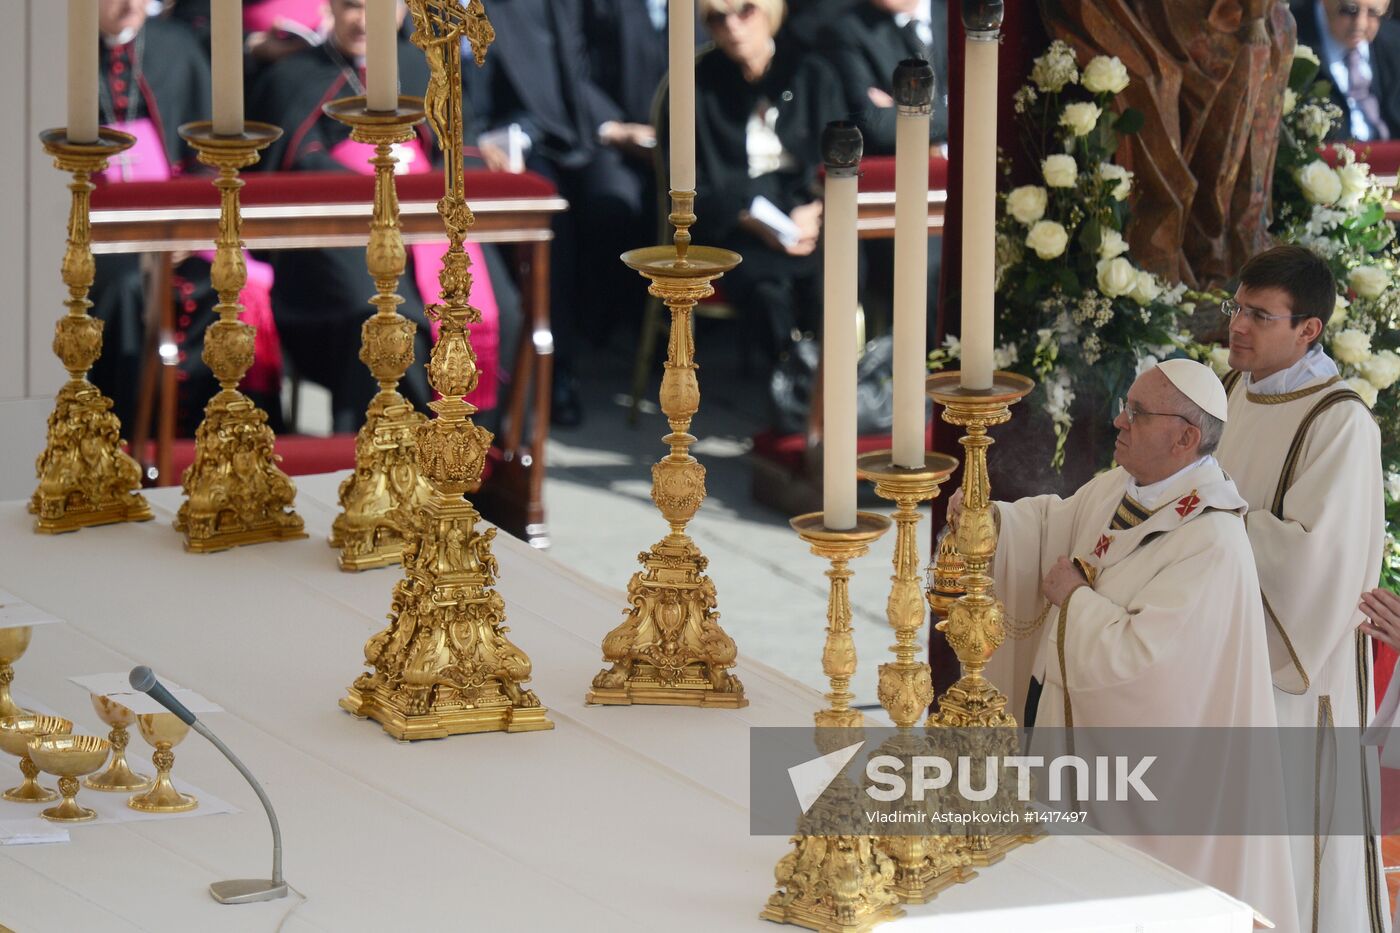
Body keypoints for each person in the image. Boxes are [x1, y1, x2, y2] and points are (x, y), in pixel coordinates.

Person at [950, 359, 1299, 933]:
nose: (1119, 421)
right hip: (1061, 730)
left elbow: (1147, 665)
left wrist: (1075, 600)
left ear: (1186, 437)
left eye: (1136, 412)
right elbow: (1054, 527)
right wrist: (990, 524)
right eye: (1126, 405)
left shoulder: (1210, 538)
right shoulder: (1126, 486)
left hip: (1141, 782)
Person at [1214, 244, 1388, 933]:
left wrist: (1211, 512)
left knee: (1297, 846)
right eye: (1238, 307)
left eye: (1259, 314)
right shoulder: (1231, 392)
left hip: (1296, 665)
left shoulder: (1340, 421)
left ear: (1308, 330)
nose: (1238, 325)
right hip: (1227, 648)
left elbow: (1319, 566)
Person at [248, 0, 519, 433]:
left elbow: (458, 153)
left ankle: (472, 456)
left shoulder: (426, 68)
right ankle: (392, 452)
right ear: (332, 8)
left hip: (430, 220)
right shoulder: (294, 75)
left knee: (497, 307)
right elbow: (296, 164)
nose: (363, 20)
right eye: (353, 6)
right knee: (389, 318)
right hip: (338, 230)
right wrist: (377, 187)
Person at [89, 0, 283, 439]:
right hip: (98, 234)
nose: (130, 5)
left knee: (235, 286)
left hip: (177, 225)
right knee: (125, 288)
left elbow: (205, 161)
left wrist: (189, 225)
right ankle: (123, 439)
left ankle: (229, 440)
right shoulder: (60, 53)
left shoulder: (175, 46)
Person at [466, 0, 648, 426]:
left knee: (609, 202)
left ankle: (570, 352)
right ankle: (544, 371)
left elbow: (569, 70)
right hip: (467, 143)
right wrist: (475, 143)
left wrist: (605, 127)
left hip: (552, 135)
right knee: (550, 223)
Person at [693, 0, 845, 363]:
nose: (733, 26)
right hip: (739, 218)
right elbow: (693, 187)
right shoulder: (698, 84)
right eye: (718, 18)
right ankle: (789, 381)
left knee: (837, 275)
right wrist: (754, 222)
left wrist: (819, 210)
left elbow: (844, 162)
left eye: (745, 11)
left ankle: (830, 381)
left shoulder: (811, 73)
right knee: (764, 287)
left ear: (769, 12)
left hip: (809, 207)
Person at [818, 0, 949, 155]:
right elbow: (877, 124)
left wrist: (906, 112)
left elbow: (983, 110)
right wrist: (959, 114)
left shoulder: (963, 15)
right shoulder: (850, 29)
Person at [1293, 0, 1400, 141]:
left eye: (1373, 13)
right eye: (1349, 10)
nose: (1360, 25)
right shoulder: (1287, 39)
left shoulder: (1394, 41)